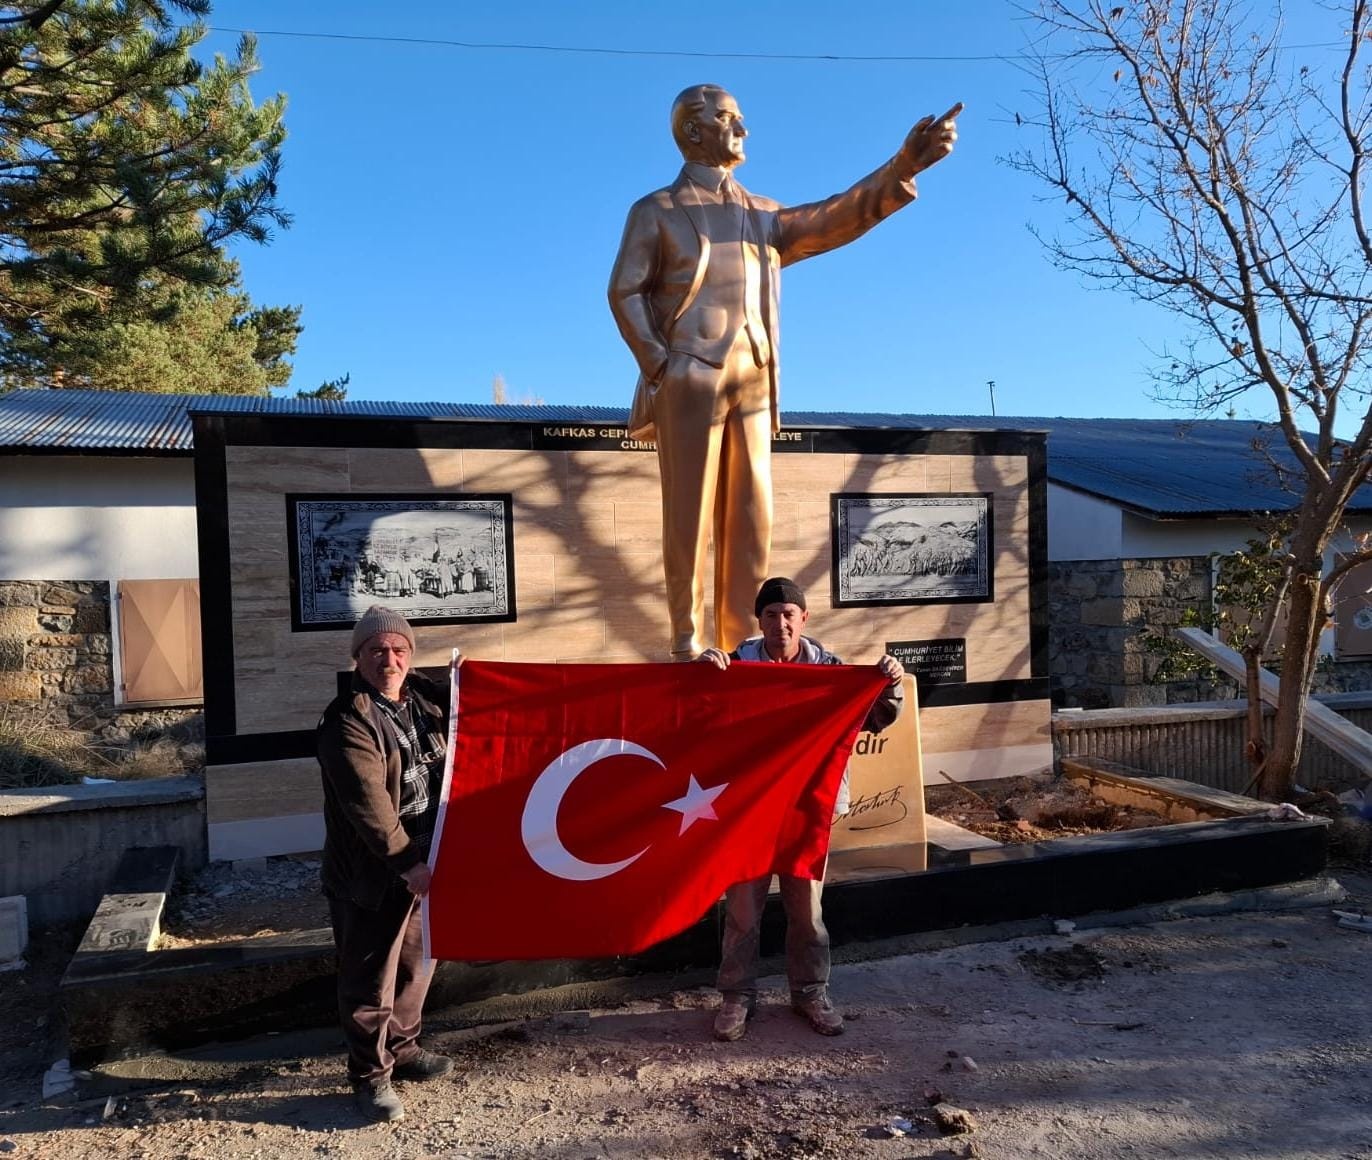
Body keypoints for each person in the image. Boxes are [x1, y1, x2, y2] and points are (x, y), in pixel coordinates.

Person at [609, 85, 961, 661]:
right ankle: (687, 641)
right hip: (690, 374)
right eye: (728, 118)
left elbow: (836, 215)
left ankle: (741, 643)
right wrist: (660, 365)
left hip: (754, 376)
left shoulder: (764, 215)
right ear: (693, 131)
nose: (742, 129)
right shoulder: (657, 210)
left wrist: (903, 167)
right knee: (688, 516)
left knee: (753, 519)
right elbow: (625, 291)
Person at [698, 576, 905, 1041]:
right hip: (748, 812)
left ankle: (810, 993)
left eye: (788, 614)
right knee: (742, 911)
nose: (781, 624)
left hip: (807, 810)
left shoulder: (831, 671)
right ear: (759, 621)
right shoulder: (734, 668)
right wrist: (700, 674)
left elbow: (877, 717)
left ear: (804, 618)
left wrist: (889, 682)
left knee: (807, 911)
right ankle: (736, 996)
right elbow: (695, 715)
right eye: (771, 615)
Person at [317, 605, 453, 1123]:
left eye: (398, 650)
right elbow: (368, 806)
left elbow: (484, 709)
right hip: (376, 873)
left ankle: (405, 1049)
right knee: (370, 979)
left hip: (427, 862)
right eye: (376, 650)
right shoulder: (347, 720)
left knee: (417, 967)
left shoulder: (424, 700)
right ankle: (370, 1077)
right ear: (357, 657)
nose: (388, 660)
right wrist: (407, 863)